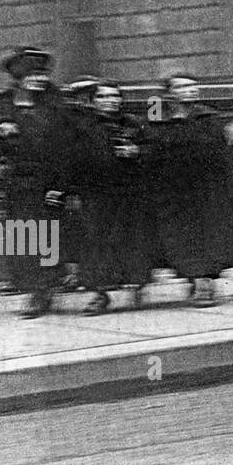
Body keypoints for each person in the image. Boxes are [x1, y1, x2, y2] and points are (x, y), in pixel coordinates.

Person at [0, 47, 71, 317]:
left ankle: (42, 290)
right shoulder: (3, 101)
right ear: (18, 77)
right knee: (22, 232)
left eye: (41, 74)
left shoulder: (54, 102)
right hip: (18, 180)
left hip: (49, 178)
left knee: (49, 233)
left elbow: (66, 140)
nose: (37, 80)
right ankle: (31, 283)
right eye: (30, 75)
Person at [150, 75, 233, 307]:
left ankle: (205, 284)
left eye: (193, 85)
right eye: (183, 86)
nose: (191, 90)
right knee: (181, 239)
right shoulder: (159, 116)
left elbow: (218, 152)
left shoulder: (208, 117)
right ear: (170, 93)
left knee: (206, 236)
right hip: (174, 191)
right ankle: (194, 278)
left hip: (204, 189)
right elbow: (153, 144)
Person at [71, 80, 150, 315]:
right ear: (94, 101)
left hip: (129, 193)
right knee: (97, 242)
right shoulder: (83, 127)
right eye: (104, 97)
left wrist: (137, 152)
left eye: (114, 96)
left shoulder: (132, 124)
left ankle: (136, 284)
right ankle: (100, 293)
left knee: (131, 240)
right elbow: (71, 160)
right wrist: (73, 190)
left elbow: (152, 151)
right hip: (96, 194)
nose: (110, 101)